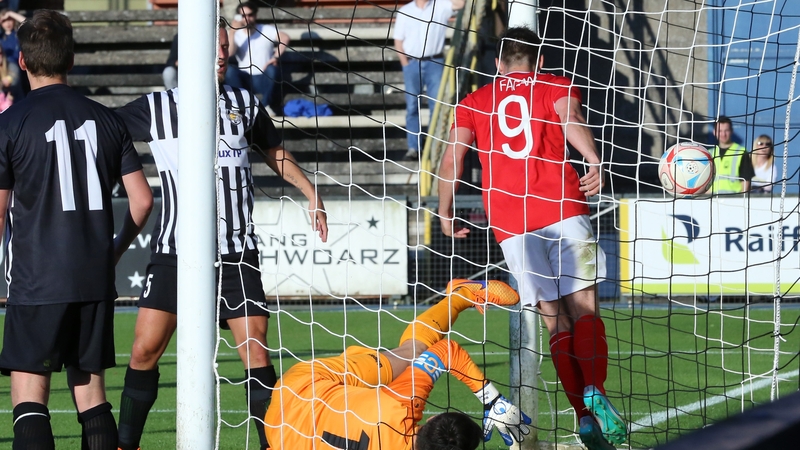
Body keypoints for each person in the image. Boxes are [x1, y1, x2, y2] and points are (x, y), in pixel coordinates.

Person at [114, 20, 328, 450]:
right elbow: (106, 134)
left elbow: (274, 152)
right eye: (215, 47)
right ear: (188, 53)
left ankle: (272, 444)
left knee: (255, 351)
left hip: (236, 253)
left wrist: (311, 193)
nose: (223, 55)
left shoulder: (244, 102)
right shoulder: (155, 106)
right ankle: (125, 444)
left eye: (227, 47)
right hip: (175, 253)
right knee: (143, 351)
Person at [436, 27, 626, 450]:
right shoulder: (554, 84)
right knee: (585, 308)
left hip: (513, 222)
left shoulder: (473, 102)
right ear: (539, 61)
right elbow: (570, 119)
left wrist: (445, 211)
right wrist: (593, 159)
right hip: (562, 206)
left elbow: (453, 157)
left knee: (553, 317)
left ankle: (582, 416)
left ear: (498, 64)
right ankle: (595, 388)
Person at [0, 10, 153, 450]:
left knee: (30, 396)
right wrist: (115, 250)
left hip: (36, 279)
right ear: (72, 59)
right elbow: (143, 200)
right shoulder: (107, 120)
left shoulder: (10, 124)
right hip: (92, 276)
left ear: (24, 61)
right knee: (91, 395)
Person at [264, 279, 531, 449]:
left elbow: (446, 351)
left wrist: (492, 400)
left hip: (303, 386)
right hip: (279, 434)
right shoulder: (398, 406)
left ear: (433, 418)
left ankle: (460, 296)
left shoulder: (400, 407)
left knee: (410, 353)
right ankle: (461, 295)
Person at [393, 0, 464, 160]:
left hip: (435, 62)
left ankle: (433, 146)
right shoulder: (405, 10)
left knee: (436, 107)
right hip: (412, 63)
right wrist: (406, 65)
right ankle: (414, 148)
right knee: (412, 107)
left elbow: (460, 3)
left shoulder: (441, 5)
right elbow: (398, 41)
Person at [226, 1, 290, 114]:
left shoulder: (265, 29)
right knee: (229, 71)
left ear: (255, 15)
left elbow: (285, 38)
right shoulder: (236, 34)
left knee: (272, 69)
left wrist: (275, 57)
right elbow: (230, 53)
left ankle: (265, 107)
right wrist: (232, 32)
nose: (247, 18)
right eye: (243, 16)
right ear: (238, 17)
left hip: (264, 77)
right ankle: (242, 106)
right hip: (244, 78)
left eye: (250, 15)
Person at [711, 116, 754, 194]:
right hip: (712, 199)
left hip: (733, 199)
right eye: (719, 131)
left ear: (731, 131)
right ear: (714, 132)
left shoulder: (741, 152)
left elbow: (746, 181)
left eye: (726, 130)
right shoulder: (709, 153)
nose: (723, 134)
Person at [0, 9, 24, 100]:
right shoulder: (1, 37)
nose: (8, 23)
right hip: (4, 70)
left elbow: (27, 23)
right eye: (4, 21)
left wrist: (11, 13)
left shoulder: (18, 34)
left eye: (10, 19)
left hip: (20, 69)